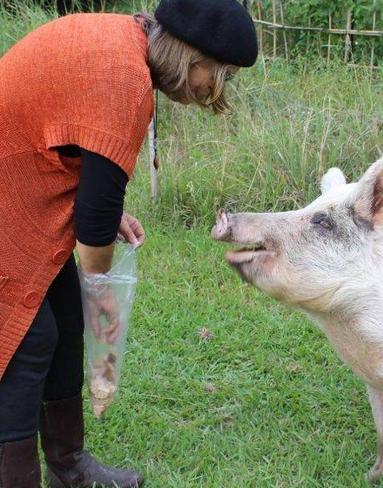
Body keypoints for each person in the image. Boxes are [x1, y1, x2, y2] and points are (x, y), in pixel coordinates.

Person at [0, 1, 257, 487]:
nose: (212, 90)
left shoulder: (122, 43)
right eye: (217, 75)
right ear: (192, 58)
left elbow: (72, 142)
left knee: (65, 323)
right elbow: (93, 226)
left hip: (25, 182)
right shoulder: (125, 81)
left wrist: (103, 215)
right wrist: (104, 298)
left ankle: (69, 468)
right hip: (9, 196)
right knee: (26, 340)